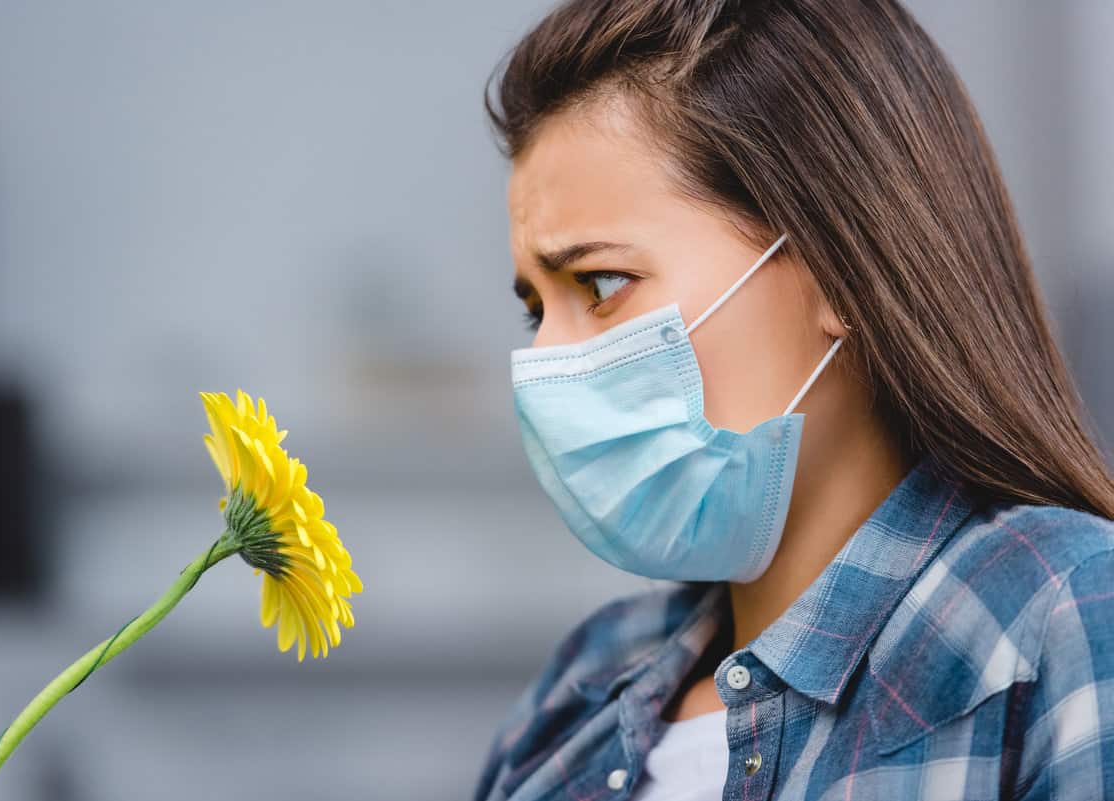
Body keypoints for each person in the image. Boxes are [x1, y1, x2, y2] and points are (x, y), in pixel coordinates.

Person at [473, 1, 1114, 799]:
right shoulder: (578, 692)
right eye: (536, 308)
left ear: (839, 265)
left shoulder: (1065, 617)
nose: (547, 362)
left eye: (601, 284)